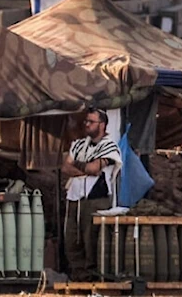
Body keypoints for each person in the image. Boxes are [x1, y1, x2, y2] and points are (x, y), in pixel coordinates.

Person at [62, 108, 122, 282]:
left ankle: (93, 278)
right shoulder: (79, 144)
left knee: (92, 240)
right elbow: (66, 167)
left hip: (96, 199)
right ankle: (79, 277)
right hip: (75, 197)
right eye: (86, 121)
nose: (87, 124)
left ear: (102, 125)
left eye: (91, 122)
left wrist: (81, 167)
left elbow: (95, 169)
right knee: (72, 239)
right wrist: (85, 169)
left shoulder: (110, 146)